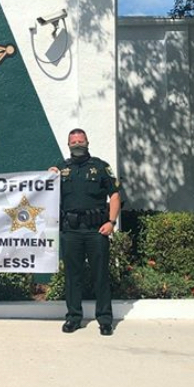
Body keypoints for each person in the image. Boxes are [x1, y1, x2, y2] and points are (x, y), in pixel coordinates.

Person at [50, 129, 121, 336]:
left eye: (81, 141)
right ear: (68, 144)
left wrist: (111, 222)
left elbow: (115, 195)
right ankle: (73, 318)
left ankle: (105, 320)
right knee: (73, 277)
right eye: (73, 141)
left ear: (88, 142)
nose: (77, 144)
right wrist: (47, 178)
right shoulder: (60, 168)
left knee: (100, 276)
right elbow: (46, 193)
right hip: (71, 230)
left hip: (96, 230)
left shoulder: (100, 167)